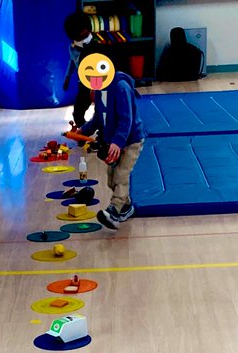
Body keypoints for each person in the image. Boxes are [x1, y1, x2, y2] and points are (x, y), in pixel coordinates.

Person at [79, 56, 146, 229]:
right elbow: (98, 118)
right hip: (112, 141)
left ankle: (114, 210)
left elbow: (126, 119)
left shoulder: (121, 88)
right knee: (111, 179)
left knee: (122, 175)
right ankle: (127, 206)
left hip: (130, 140)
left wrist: (117, 142)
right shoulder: (100, 89)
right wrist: (82, 131)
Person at [63, 13, 94, 130]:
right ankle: (83, 132)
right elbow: (71, 62)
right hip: (83, 83)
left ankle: (104, 134)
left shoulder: (97, 46)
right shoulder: (72, 48)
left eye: (84, 34)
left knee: (102, 110)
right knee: (77, 112)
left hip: (98, 83)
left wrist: (95, 89)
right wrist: (67, 78)